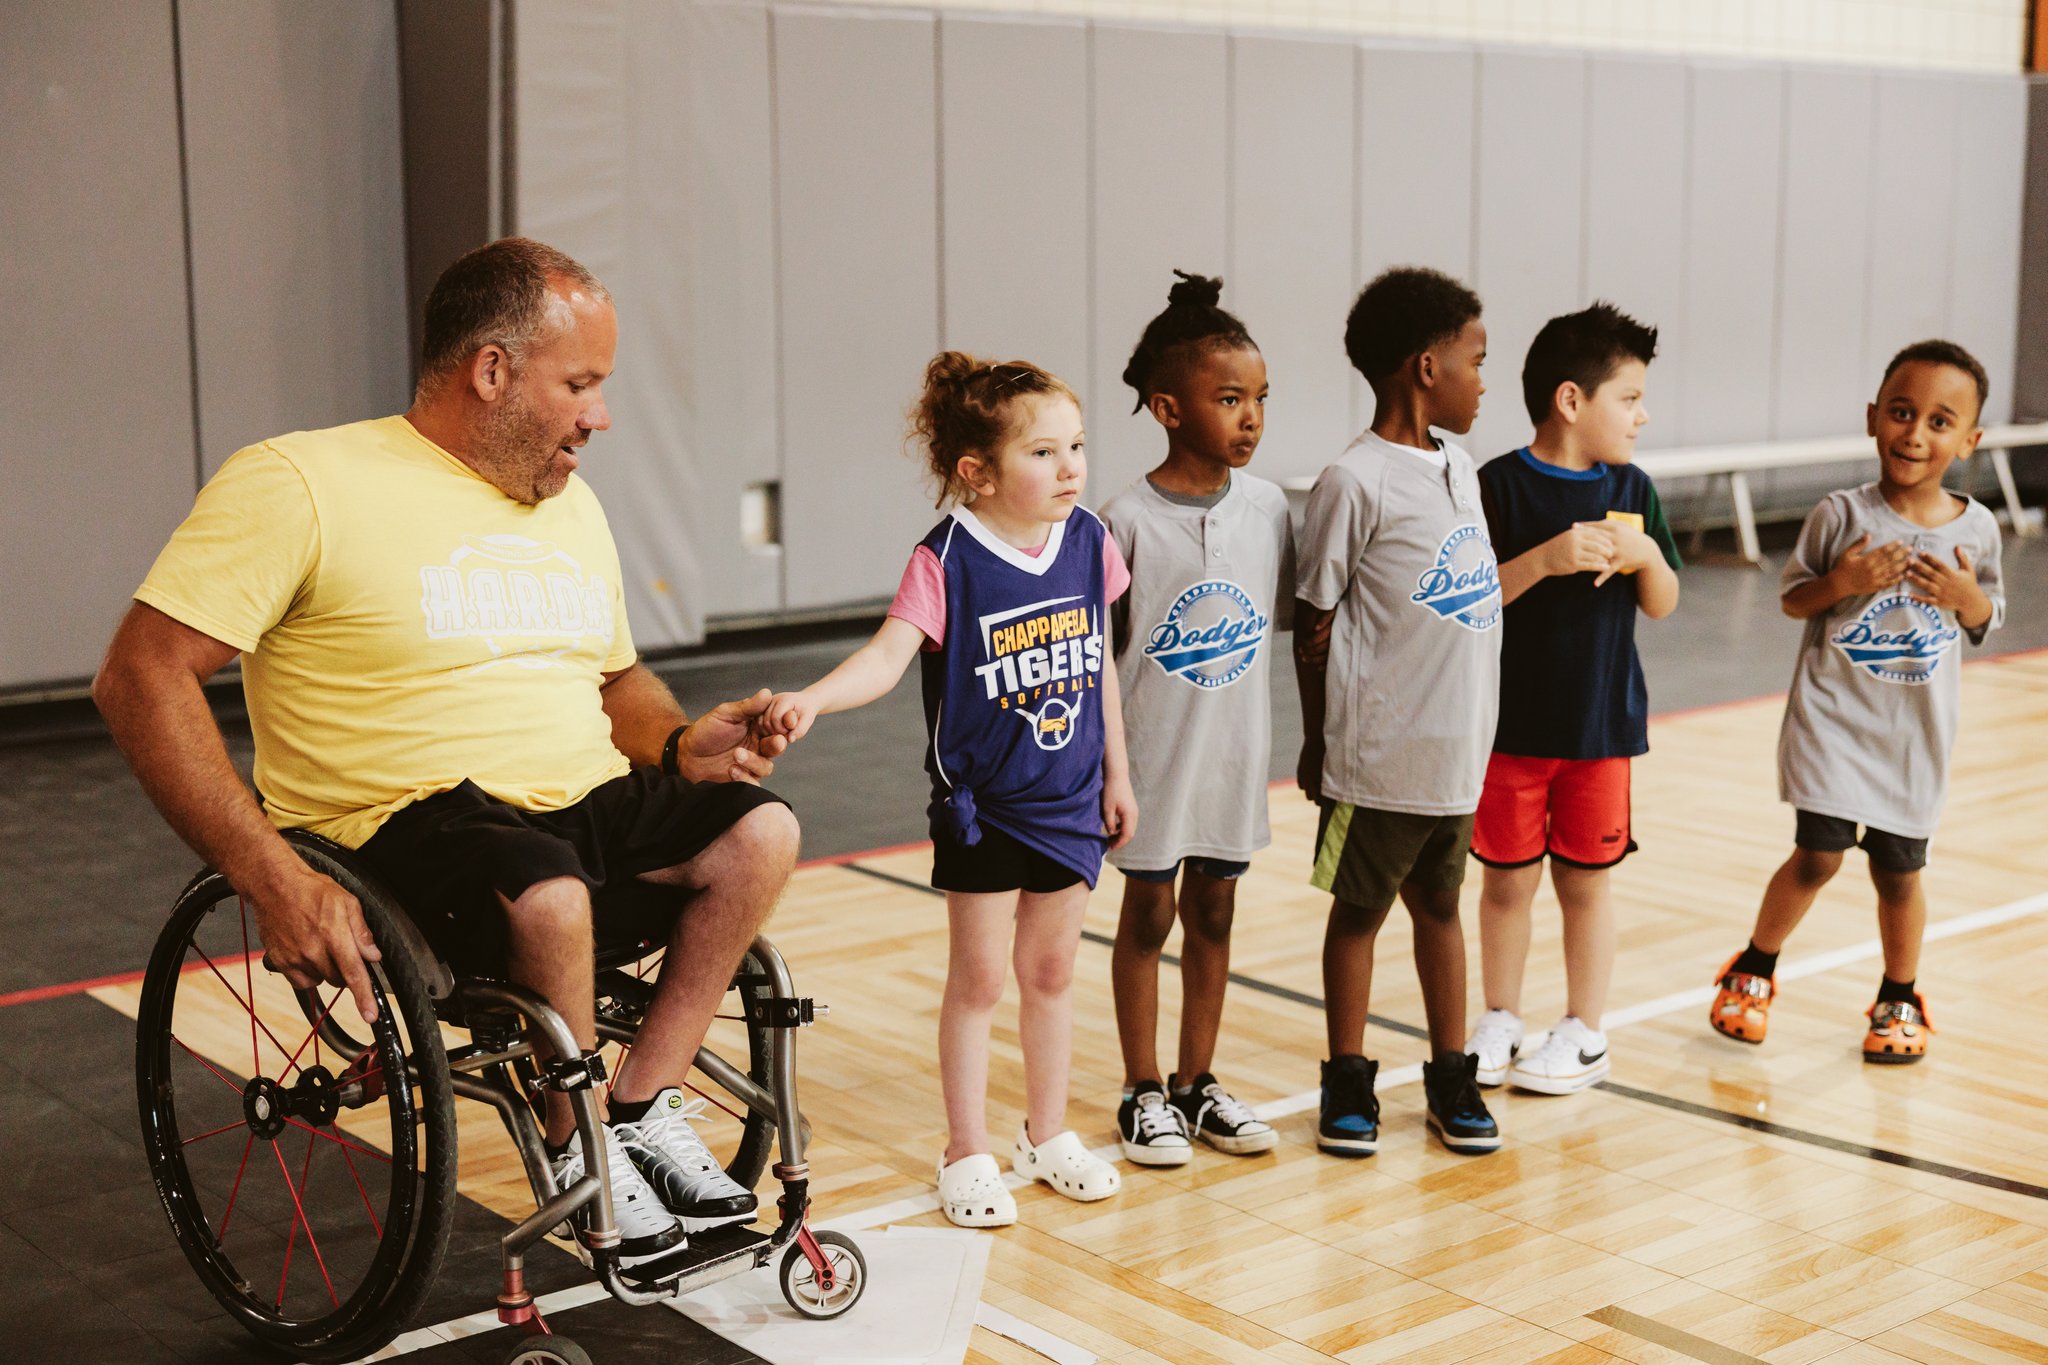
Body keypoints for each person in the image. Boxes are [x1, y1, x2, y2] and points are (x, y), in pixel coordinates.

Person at [93, 237, 801, 1264]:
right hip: (407, 827)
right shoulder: (301, 481)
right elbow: (139, 675)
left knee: (761, 831)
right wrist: (271, 878)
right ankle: (576, 1145)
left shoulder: (569, 503)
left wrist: (685, 741)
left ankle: (641, 1101)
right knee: (548, 893)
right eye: (581, 385)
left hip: (573, 815)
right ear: (491, 370)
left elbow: (614, 684)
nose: (598, 417)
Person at [762, 353, 1135, 1228]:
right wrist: (813, 697)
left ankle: (1045, 1134)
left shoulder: (1090, 541)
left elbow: (1102, 667)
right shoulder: (947, 558)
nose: (1072, 466)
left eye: (1077, 445)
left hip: (1073, 794)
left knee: (1050, 971)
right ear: (978, 471)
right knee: (980, 981)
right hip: (986, 806)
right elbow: (889, 656)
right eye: (1045, 452)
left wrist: (1119, 771)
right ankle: (964, 1148)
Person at [1710, 340, 2004, 1065]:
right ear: (1874, 417)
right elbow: (1792, 598)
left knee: (1899, 871)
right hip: (1834, 723)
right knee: (1818, 855)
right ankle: (1754, 965)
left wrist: (1969, 598)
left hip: (1915, 737)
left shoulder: (1978, 528)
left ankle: (1899, 992)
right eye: (1902, 413)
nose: (1914, 433)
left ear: (1969, 441)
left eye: (1940, 421)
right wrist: (1844, 581)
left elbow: (1984, 619)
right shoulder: (1840, 514)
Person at [1295, 266, 1503, 1157]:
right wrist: (1318, 741)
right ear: (1427, 367)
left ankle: (1450, 1071)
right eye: (1476, 359)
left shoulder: (1460, 466)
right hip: (1377, 757)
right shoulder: (1353, 479)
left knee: (1443, 909)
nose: (1483, 379)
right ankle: (1347, 1076)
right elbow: (1314, 622)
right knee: (1358, 912)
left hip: (1459, 754)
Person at [1464, 303, 1681, 1096]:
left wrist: (1648, 552)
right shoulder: (1498, 487)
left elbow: (1662, 601)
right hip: (1509, 732)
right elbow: (1473, 600)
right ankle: (1499, 1017)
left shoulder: (1633, 488)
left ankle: (1585, 1030)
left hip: (1601, 731)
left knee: (1586, 882)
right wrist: (1547, 558)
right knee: (1506, 881)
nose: (1642, 413)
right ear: (1570, 401)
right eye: (1628, 397)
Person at [1100, 271, 1291, 1167]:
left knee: (1215, 911)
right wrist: (1108, 771)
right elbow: (1104, 659)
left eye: (1258, 399)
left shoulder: (1269, 509)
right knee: (1150, 916)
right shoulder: (1123, 520)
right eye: (1228, 399)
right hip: (1153, 760)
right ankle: (1141, 1088)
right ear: (1169, 408)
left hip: (1232, 755)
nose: (1249, 417)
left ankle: (1197, 1080)